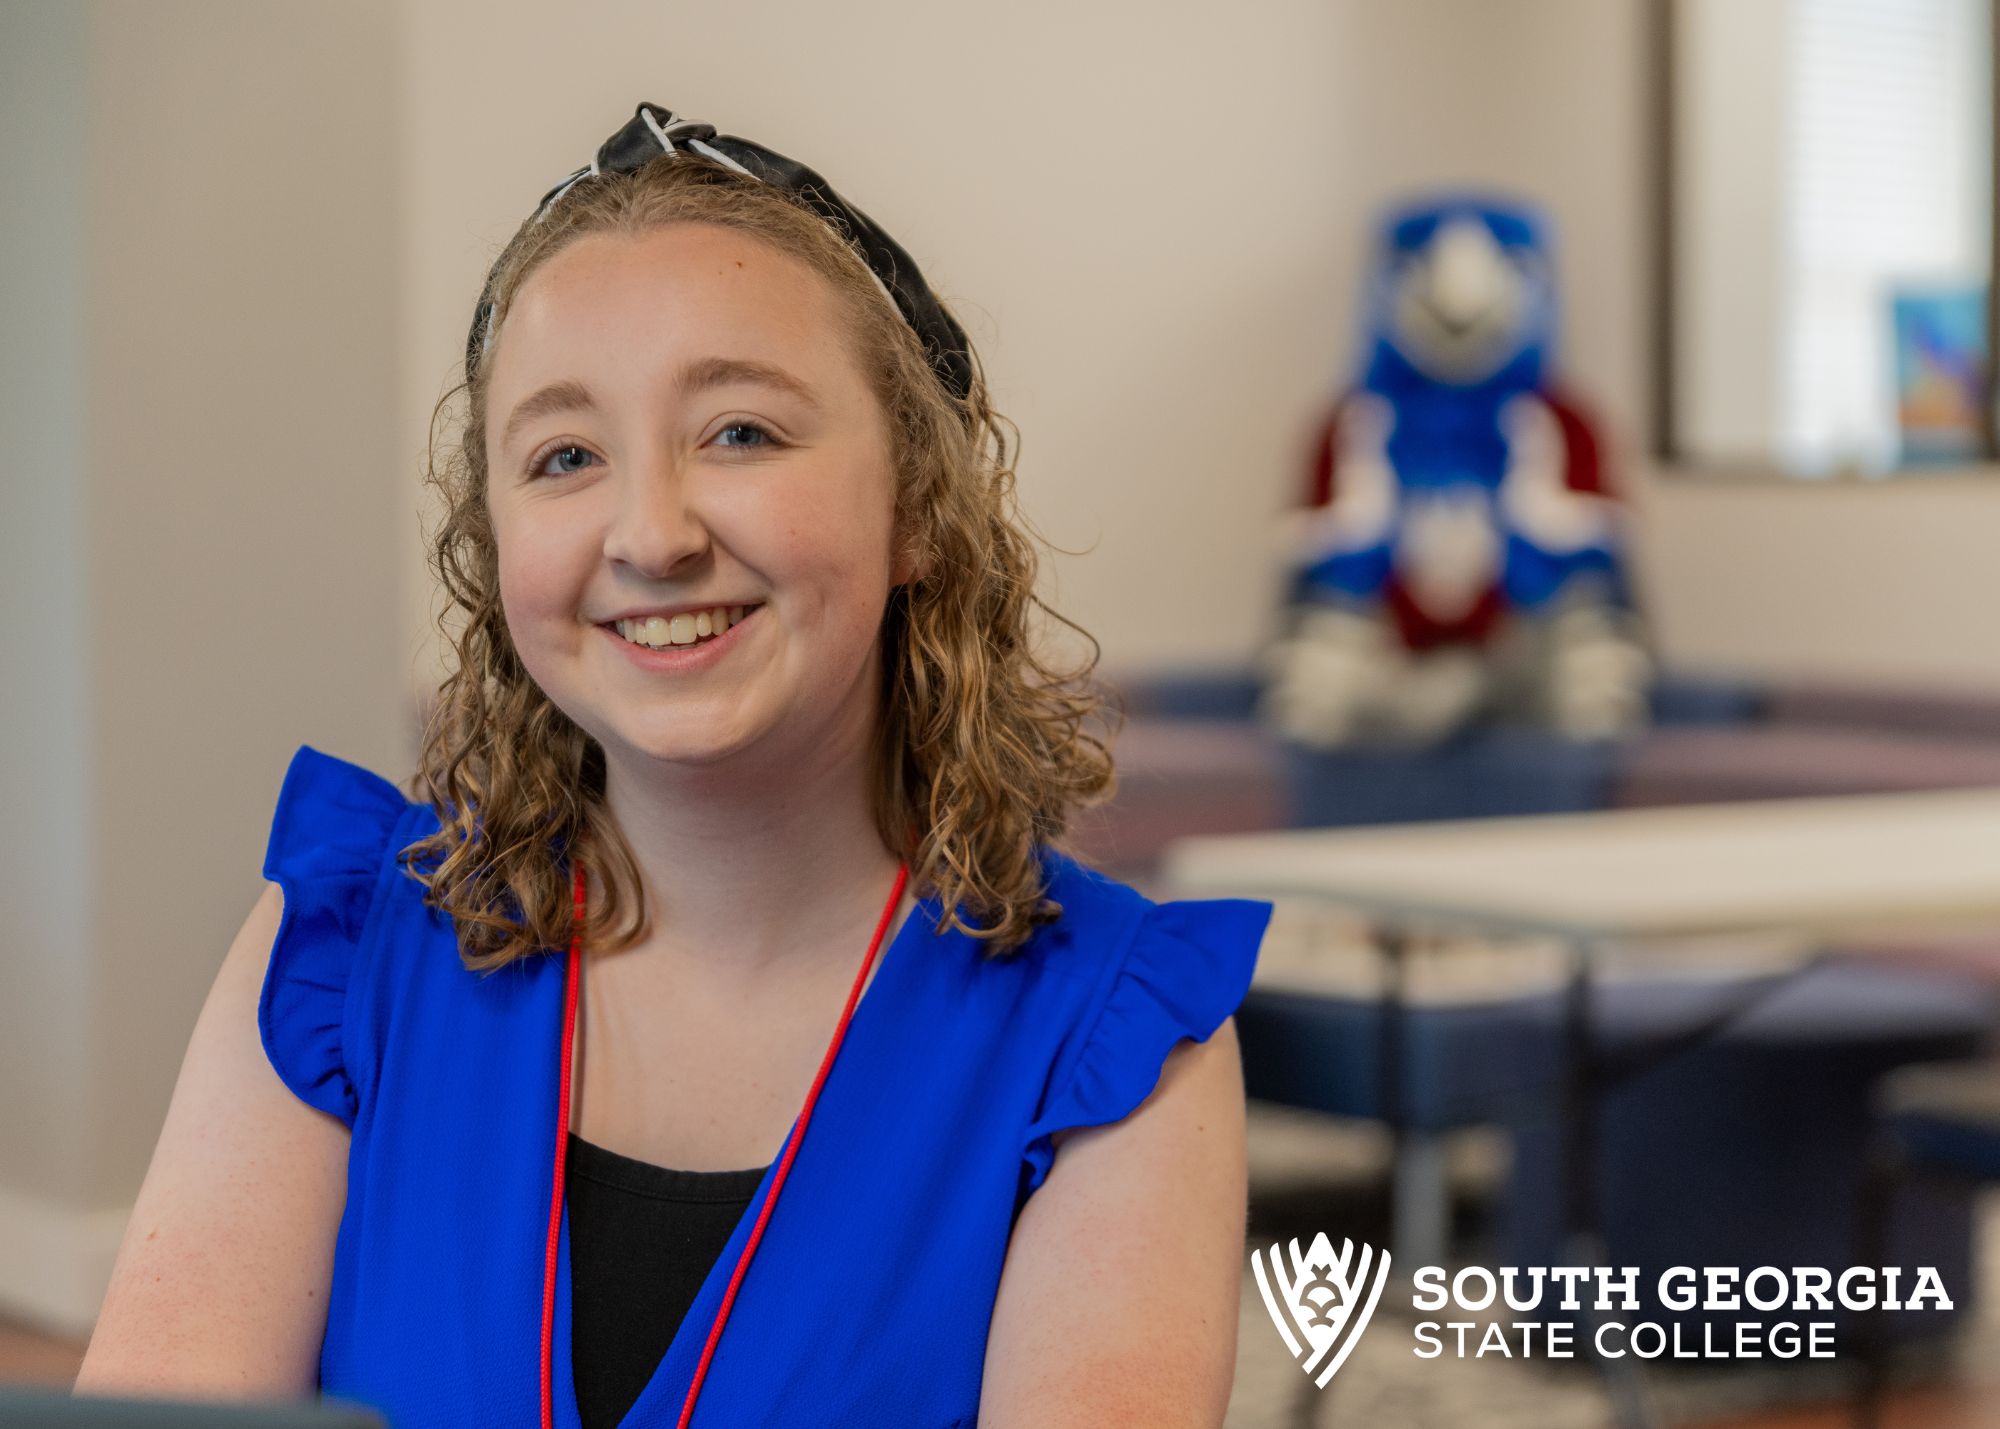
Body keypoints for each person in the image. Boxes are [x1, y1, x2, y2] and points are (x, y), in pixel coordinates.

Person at [75, 104, 1273, 1427]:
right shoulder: (341, 949)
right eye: (566, 457)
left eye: (740, 432)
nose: (650, 535)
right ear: (494, 543)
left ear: (919, 509)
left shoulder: (1112, 1043)